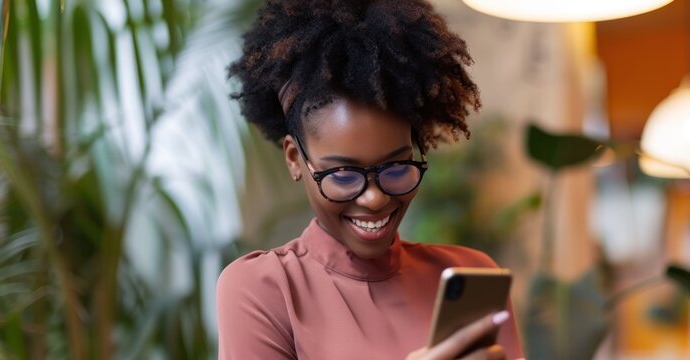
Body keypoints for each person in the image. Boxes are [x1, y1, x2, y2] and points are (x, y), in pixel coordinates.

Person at [217, 0, 524, 359]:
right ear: (294, 159)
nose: (375, 198)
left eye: (395, 168)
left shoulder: (467, 273)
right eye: (344, 174)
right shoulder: (264, 289)